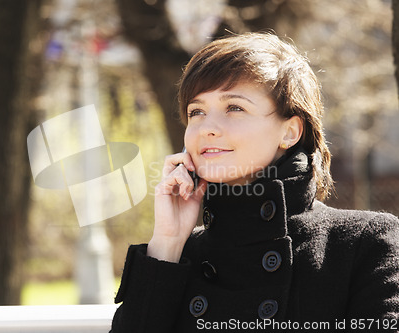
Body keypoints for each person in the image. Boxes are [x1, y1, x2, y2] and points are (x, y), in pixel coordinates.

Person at [110, 32, 399, 332]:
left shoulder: (365, 244)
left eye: (234, 107)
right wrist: (167, 244)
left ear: (290, 132)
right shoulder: (178, 258)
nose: (207, 128)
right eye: (197, 112)